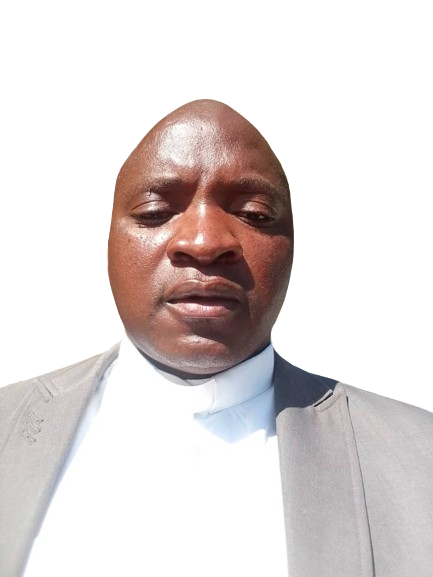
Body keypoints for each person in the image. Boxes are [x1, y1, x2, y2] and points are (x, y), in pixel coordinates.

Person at [0, 99, 432, 577]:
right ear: (109, 245)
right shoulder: (6, 423)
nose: (204, 242)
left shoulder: (420, 453)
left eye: (254, 213)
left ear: (292, 250)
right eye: (155, 211)